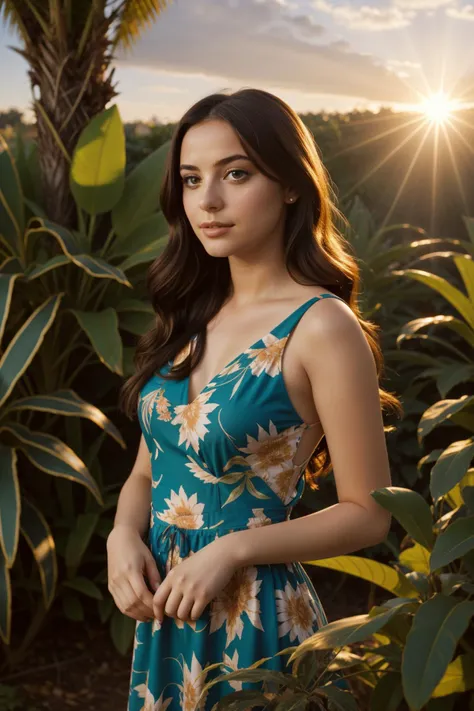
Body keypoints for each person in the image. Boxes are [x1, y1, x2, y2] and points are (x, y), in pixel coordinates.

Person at [108, 87, 400, 711]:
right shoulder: (189, 313)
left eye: (235, 174)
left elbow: (368, 512)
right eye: (191, 179)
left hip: (257, 624)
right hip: (167, 625)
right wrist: (121, 538)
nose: (207, 201)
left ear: (292, 184)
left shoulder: (320, 326)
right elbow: (145, 472)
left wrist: (232, 548)